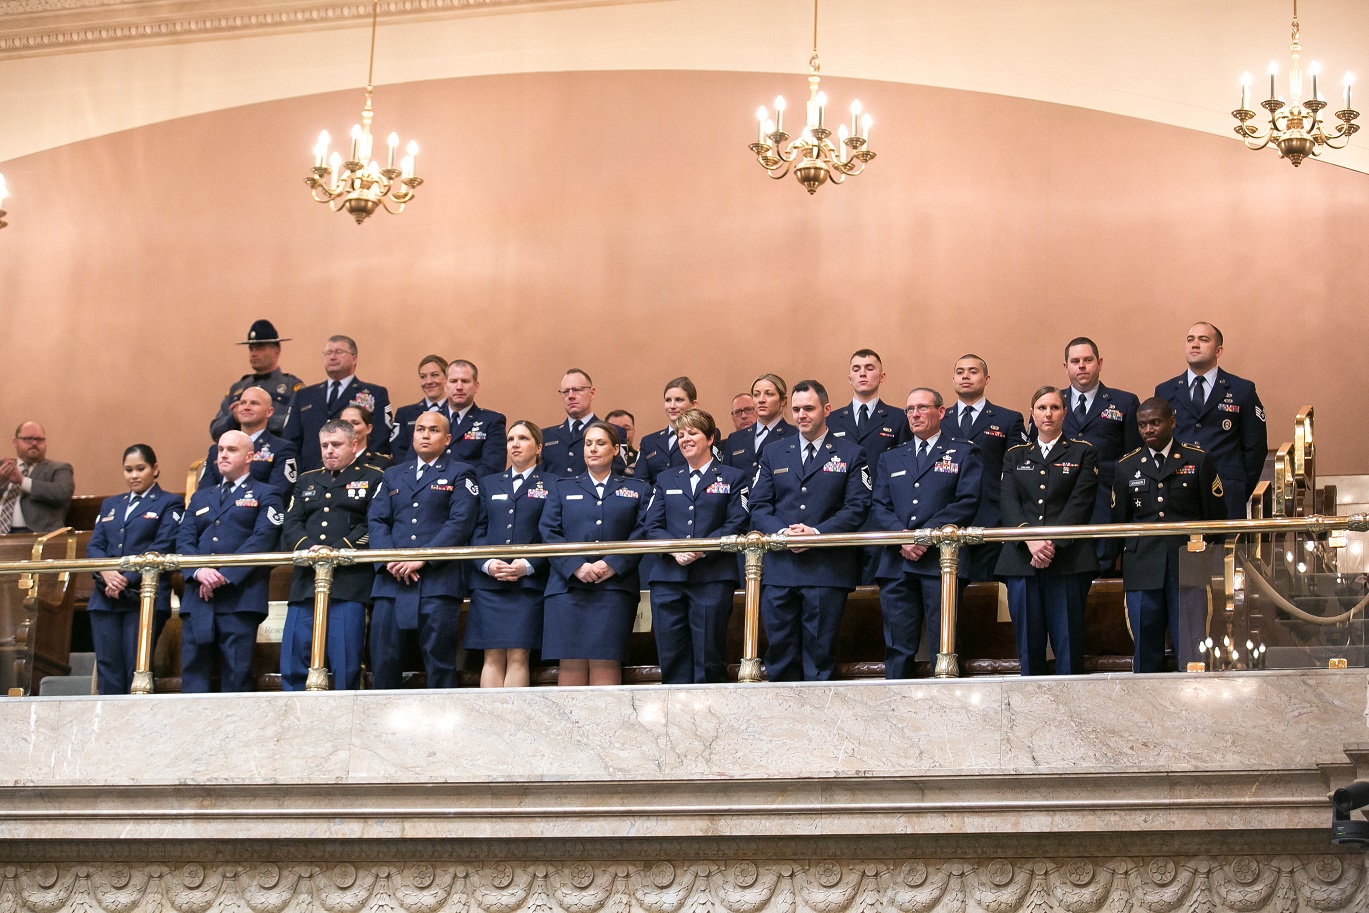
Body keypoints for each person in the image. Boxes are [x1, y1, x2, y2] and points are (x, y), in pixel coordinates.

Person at [749, 380, 871, 682]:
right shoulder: (774, 452)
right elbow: (759, 505)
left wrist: (816, 533)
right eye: (797, 409)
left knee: (820, 653)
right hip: (781, 567)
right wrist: (783, 534)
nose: (802, 415)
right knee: (779, 651)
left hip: (825, 569)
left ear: (826, 409)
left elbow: (857, 507)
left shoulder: (851, 453)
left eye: (809, 409)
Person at [870, 388, 983, 679]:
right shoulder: (892, 457)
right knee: (898, 647)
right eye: (909, 409)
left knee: (944, 645)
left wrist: (923, 536)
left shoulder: (963, 451)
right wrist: (903, 537)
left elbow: (967, 502)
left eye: (922, 408)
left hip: (941, 563)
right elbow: (879, 507)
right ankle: (896, 709)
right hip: (897, 563)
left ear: (941, 412)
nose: (915, 415)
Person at [1112, 397, 1227, 673]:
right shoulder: (1127, 466)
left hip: (1187, 565)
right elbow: (1118, 522)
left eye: (1155, 422)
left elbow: (1216, 518)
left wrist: (1200, 553)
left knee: (1192, 651)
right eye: (1142, 425)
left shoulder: (1198, 459)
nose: (1148, 429)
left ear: (1172, 422)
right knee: (1146, 652)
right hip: (1142, 566)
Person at [367, 412, 480, 689]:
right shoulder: (392, 474)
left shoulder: (460, 472)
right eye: (420, 429)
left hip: (437, 581)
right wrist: (390, 558)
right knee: (384, 660)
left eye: (433, 430)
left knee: (439, 661)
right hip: (391, 580)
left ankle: (443, 729)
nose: (425, 435)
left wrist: (423, 557)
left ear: (448, 438)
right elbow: (377, 519)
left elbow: (460, 522)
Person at [996, 387, 1100, 676]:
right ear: (1032, 413)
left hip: (1068, 559)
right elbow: (1008, 501)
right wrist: (1029, 539)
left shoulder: (1083, 452)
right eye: (1041, 408)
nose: (1048, 413)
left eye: (1055, 407)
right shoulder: (1015, 455)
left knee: (1068, 643)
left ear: (1065, 412)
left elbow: (1080, 504)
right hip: (1022, 558)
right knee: (1028, 646)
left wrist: (1051, 542)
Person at [642, 408, 750, 684]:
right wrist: (674, 548)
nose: (685, 438)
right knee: (671, 655)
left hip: (712, 578)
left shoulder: (732, 477)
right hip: (668, 578)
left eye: (693, 433)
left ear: (711, 438)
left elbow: (737, 522)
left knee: (709, 657)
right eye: (681, 434)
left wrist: (702, 548)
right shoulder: (666, 479)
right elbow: (652, 526)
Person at [539, 421, 651, 686]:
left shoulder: (638, 489)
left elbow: (642, 531)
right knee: (571, 661)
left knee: (606, 659)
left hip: (614, 587)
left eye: (600, 443)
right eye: (588, 444)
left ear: (615, 450)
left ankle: (606, 729)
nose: (592, 449)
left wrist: (613, 564)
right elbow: (549, 532)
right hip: (568, 587)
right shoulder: (562, 487)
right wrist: (576, 566)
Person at [280, 420, 386, 691]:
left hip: (348, 581)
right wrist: (310, 548)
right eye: (325, 445)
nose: (329, 451)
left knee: (346, 662)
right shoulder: (307, 479)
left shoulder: (374, 477)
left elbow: (373, 523)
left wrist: (337, 550)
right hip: (306, 579)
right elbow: (291, 522)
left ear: (353, 445)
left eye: (336, 445)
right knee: (293, 658)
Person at [176, 431, 285, 693]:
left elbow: (263, 539)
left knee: (236, 674)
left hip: (240, 596)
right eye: (220, 449)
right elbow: (184, 540)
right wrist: (199, 571)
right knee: (193, 673)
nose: (223, 454)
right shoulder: (201, 497)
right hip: (198, 596)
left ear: (250, 456)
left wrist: (223, 575)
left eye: (232, 450)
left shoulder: (267, 493)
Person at [85, 445, 184, 694]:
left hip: (143, 595)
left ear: (155, 469)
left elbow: (162, 545)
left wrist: (123, 578)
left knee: (136, 666)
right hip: (105, 596)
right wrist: (106, 573)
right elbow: (95, 546)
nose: (134, 475)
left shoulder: (169, 502)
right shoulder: (111, 504)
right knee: (108, 666)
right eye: (128, 470)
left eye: (140, 468)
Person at [467, 420, 552, 688]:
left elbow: (552, 533)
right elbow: (476, 531)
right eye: (511, 439)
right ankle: (490, 724)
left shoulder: (552, 483)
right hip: (489, 583)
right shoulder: (489, 483)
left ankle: (513, 722)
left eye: (523, 438)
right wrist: (488, 563)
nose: (515, 444)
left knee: (518, 654)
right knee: (491, 655)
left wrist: (528, 565)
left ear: (538, 447)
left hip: (527, 583)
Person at [1154, 322, 1268, 519]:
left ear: (1219, 350)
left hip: (1226, 491)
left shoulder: (1242, 390)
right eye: (1190, 340)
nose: (1195, 344)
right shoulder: (1165, 391)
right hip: (1177, 491)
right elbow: (1157, 443)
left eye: (1203, 340)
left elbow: (1255, 447)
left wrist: (1238, 485)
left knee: (1225, 550)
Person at [1058, 337, 1141, 588]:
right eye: (1075, 361)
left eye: (1087, 360)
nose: (1081, 366)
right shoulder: (1052, 401)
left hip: (1106, 497)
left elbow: (1133, 456)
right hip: (1061, 497)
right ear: (1066, 367)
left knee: (1103, 565)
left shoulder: (1125, 402)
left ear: (1099, 363)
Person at [827, 349, 910, 583]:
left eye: (869, 368)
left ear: (882, 376)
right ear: (849, 377)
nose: (862, 373)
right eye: (856, 369)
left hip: (879, 515)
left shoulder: (899, 418)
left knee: (876, 589)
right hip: (839, 513)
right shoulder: (831, 419)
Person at [947, 355, 1027, 581]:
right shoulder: (940, 419)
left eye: (973, 371)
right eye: (960, 371)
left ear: (987, 378)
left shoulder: (1008, 419)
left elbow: (1018, 470)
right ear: (953, 379)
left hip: (990, 516)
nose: (965, 376)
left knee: (987, 594)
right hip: (947, 515)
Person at [283, 334, 392, 473]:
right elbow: (290, 439)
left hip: (358, 474)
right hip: (310, 474)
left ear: (354, 358)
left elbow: (380, 437)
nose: (332, 357)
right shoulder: (305, 395)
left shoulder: (374, 393)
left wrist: (367, 471)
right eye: (328, 353)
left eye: (339, 352)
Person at [208, 319, 305, 440]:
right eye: (251, 348)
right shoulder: (238, 388)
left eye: (259, 348)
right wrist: (234, 418)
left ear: (276, 351)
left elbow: (297, 425)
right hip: (239, 453)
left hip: (276, 454)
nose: (253, 353)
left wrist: (258, 418)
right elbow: (215, 430)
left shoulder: (292, 386)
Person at [198, 386, 298, 492]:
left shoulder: (282, 449)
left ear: (269, 412)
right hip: (217, 507)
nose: (246, 407)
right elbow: (203, 494)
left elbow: (278, 493)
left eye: (254, 403)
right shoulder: (216, 450)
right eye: (242, 403)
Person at [634, 377, 723, 487]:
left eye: (679, 400)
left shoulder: (707, 432)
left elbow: (713, 470)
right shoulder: (648, 441)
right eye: (668, 400)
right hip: (656, 500)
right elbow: (640, 482)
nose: (672, 406)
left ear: (693, 405)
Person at [430, 359, 506, 478]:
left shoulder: (492, 421)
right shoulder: (430, 420)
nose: (459, 387)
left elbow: (492, 468)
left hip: (471, 491)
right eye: (453, 381)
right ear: (445, 386)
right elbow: (413, 462)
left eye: (465, 381)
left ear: (476, 386)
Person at [542, 369, 623, 477]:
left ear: (592, 393)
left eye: (577, 390)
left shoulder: (613, 431)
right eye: (565, 391)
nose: (570, 396)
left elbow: (619, 473)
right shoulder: (546, 436)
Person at [0, 422, 74, 535]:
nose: (34, 443)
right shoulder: (3, 466)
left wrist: (22, 481)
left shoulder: (59, 468)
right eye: (28, 439)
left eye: (39, 440)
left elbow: (62, 493)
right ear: (15, 442)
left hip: (37, 535)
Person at [723, 374, 796, 477]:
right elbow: (725, 479)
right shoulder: (735, 439)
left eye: (769, 394)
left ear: (783, 400)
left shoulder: (794, 435)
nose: (761, 400)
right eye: (756, 395)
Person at [389, 354, 450, 464]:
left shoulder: (455, 412)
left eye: (435, 375)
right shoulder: (405, 414)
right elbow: (398, 450)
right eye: (423, 377)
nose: (428, 381)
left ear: (446, 378)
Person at [339, 405, 393, 470]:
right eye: (344, 423)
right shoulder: (329, 462)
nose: (348, 427)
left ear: (368, 428)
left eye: (355, 423)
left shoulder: (383, 463)